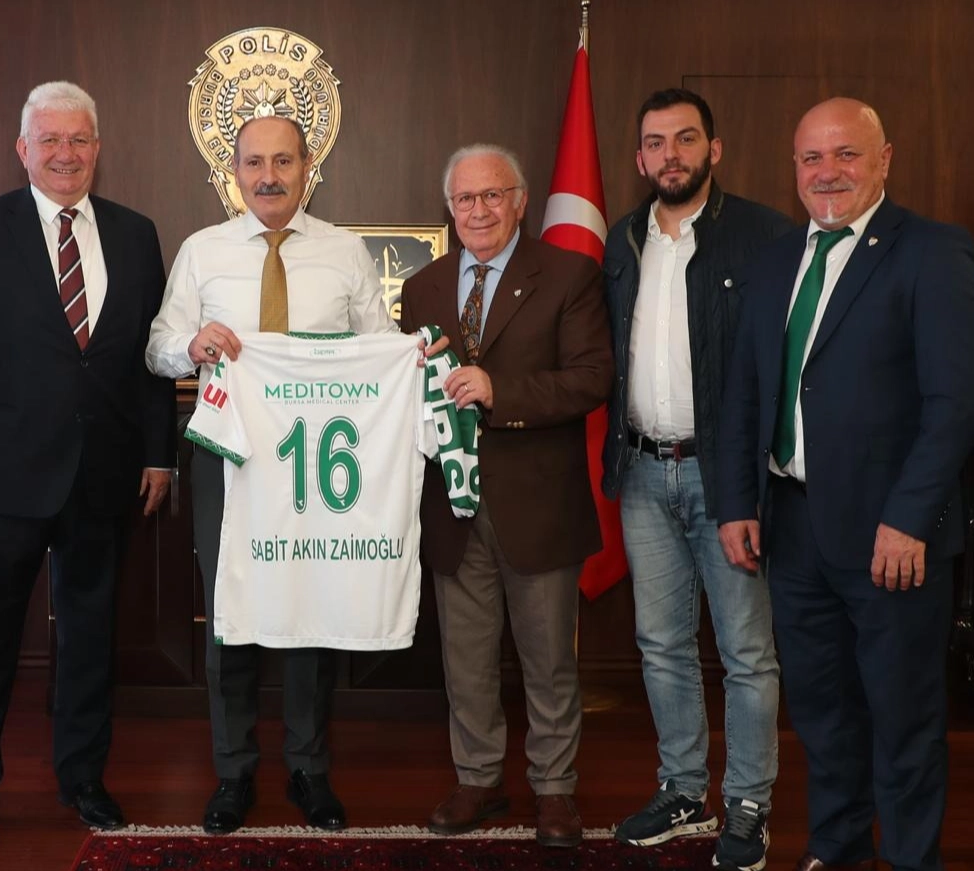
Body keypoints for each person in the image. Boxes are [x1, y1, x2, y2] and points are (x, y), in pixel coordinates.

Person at [718, 97, 974, 871]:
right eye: (812, 157)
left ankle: (911, 859)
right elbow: (743, 391)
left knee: (903, 718)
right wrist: (735, 502)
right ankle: (838, 848)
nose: (827, 172)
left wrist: (911, 517)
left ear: (884, 159)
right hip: (792, 527)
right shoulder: (773, 263)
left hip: (892, 536)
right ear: (794, 167)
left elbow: (955, 403)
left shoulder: (932, 253)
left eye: (846, 154)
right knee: (824, 712)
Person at [0, 81, 174, 849]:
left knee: (91, 637)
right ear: (23, 148)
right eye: (50, 140)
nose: (66, 154)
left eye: (79, 139)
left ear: (98, 148)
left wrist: (159, 453)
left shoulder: (135, 233)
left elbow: (148, 358)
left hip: (105, 474)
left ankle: (84, 777)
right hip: (1, 477)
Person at [146, 114, 397, 835]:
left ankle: (309, 767)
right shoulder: (203, 250)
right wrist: (192, 344)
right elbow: (159, 347)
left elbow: (380, 345)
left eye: (283, 161)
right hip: (226, 458)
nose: (268, 177)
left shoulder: (345, 252)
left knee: (310, 606)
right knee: (229, 611)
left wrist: (409, 359)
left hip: (317, 462)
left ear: (307, 166)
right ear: (235, 170)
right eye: (254, 162)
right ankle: (232, 771)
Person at [399, 143, 612, 847]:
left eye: (493, 195)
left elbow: (591, 379)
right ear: (449, 208)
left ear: (521, 202)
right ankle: (478, 779)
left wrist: (500, 392)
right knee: (465, 659)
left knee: (548, 659)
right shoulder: (424, 286)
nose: (479, 210)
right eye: (466, 198)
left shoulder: (569, 274)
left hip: (538, 504)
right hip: (451, 505)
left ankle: (554, 788)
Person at [600, 89, 790, 871]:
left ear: (714, 149)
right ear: (639, 157)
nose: (669, 154)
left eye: (685, 139)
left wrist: (750, 482)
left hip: (727, 478)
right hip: (644, 471)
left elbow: (779, 364)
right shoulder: (623, 240)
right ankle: (683, 790)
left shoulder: (763, 236)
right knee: (662, 643)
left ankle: (748, 802)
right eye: (655, 142)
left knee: (745, 649)